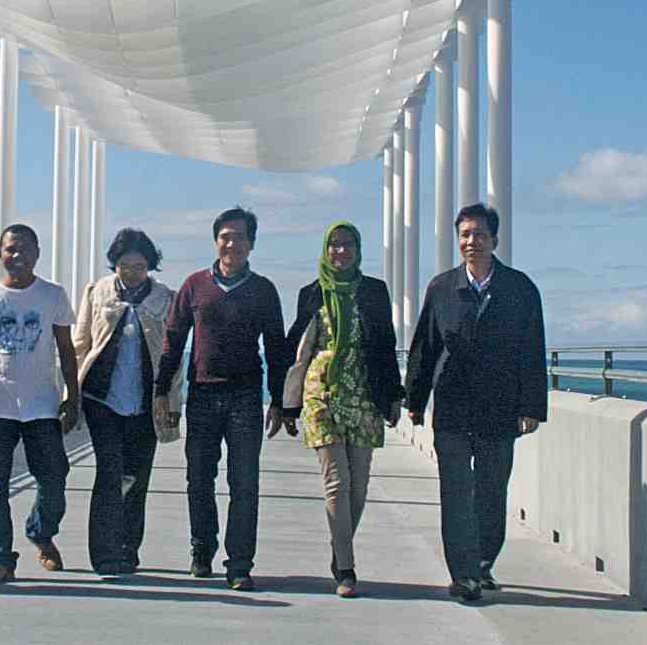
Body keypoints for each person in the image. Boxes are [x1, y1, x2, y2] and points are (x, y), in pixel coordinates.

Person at [404, 203, 548, 602]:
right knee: (455, 492)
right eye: (465, 235)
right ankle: (463, 574)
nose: (471, 242)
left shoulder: (520, 289)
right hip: (451, 406)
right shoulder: (442, 288)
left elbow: (532, 349)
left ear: (494, 240)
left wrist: (532, 405)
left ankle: (483, 563)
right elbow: (425, 348)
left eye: (479, 235)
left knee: (490, 491)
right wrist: (415, 399)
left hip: (499, 407)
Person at [153, 206, 292, 592]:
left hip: (246, 396)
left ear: (251, 244)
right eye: (225, 236)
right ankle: (202, 548)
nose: (232, 243)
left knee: (244, 482)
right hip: (202, 393)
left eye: (240, 237)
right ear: (216, 241)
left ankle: (240, 563)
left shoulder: (263, 290)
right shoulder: (195, 285)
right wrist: (161, 390)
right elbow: (173, 339)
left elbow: (277, 347)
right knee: (199, 479)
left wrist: (279, 401)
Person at [279, 221, 404, 598]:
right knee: (337, 481)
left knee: (359, 483)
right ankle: (347, 569)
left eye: (347, 244)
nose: (340, 251)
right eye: (334, 245)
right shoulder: (312, 292)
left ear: (358, 249)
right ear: (325, 249)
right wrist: (286, 404)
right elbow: (294, 349)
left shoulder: (374, 292)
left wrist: (395, 394)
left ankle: (339, 548)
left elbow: (385, 344)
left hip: (364, 392)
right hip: (324, 392)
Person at [0, 223, 81, 585]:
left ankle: (41, 532)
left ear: (37, 253)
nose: (17, 255)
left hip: (41, 405)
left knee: (54, 477)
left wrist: (73, 395)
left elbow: (66, 349)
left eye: (24, 248)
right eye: (10, 248)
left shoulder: (53, 295)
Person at [75, 228, 183, 576]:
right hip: (101, 398)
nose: (132, 272)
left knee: (136, 476)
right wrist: (69, 394)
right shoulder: (97, 292)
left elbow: (175, 357)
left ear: (150, 265)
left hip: (146, 402)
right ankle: (103, 552)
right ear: (114, 264)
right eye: (124, 265)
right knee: (109, 472)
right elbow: (81, 343)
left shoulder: (167, 299)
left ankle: (128, 548)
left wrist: (171, 402)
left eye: (139, 265)